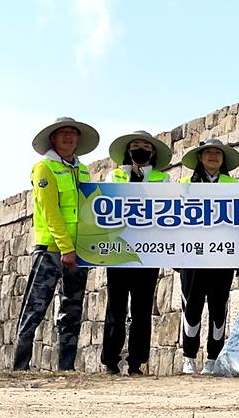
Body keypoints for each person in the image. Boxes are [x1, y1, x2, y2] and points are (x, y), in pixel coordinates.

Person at [13, 117, 99, 371]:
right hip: (50, 251)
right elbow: (51, 213)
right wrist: (66, 248)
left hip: (78, 251)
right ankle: (20, 367)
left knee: (71, 311)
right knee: (35, 308)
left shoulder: (82, 170)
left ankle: (66, 367)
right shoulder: (44, 168)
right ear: (53, 138)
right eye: (63, 133)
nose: (69, 137)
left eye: (73, 133)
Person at [101, 130, 172, 375]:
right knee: (116, 309)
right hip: (119, 251)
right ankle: (111, 360)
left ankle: (136, 362)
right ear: (128, 150)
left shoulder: (163, 178)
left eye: (145, 145)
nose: (140, 148)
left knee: (142, 310)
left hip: (148, 253)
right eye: (135, 144)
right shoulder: (115, 175)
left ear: (152, 152)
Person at [178, 138, 239, 375]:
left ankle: (213, 358)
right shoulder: (184, 185)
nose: (213, 156)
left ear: (223, 159)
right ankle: (188, 357)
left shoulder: (234, 186)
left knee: (218, 310)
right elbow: (172, 221)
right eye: (208, 153)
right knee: (191, 308)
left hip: (222, 258)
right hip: (192, 258)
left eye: (218, 153)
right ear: (200, 158)